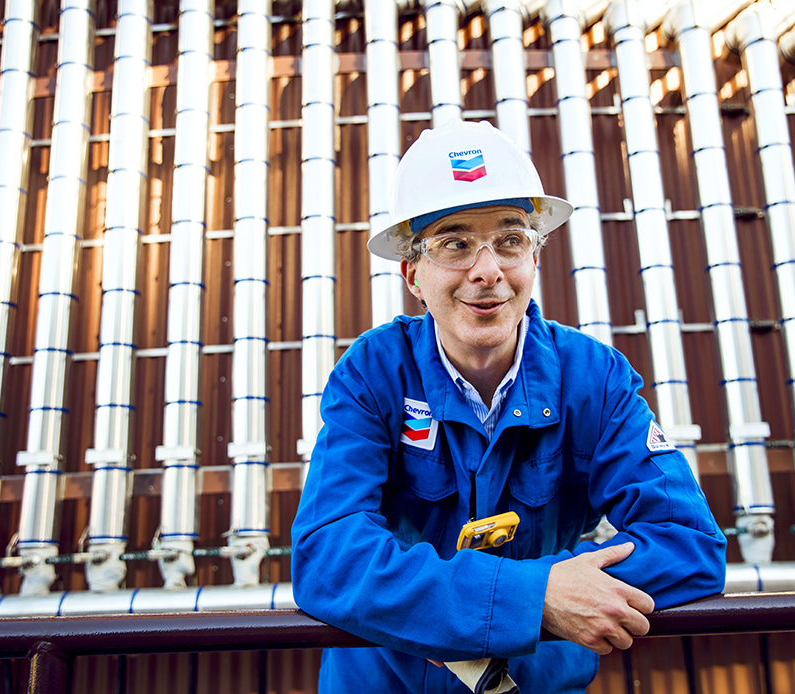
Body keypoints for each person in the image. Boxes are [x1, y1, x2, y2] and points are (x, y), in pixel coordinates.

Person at [291, 119, 726, 693]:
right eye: (455, 243)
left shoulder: (593, 379)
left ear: (535, 260)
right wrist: (536, 599)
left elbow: (687, 544)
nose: (487, 269)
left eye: (511, 240)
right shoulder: (373, 375)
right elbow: (329, 556)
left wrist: (549, 596)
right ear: (413, 274)